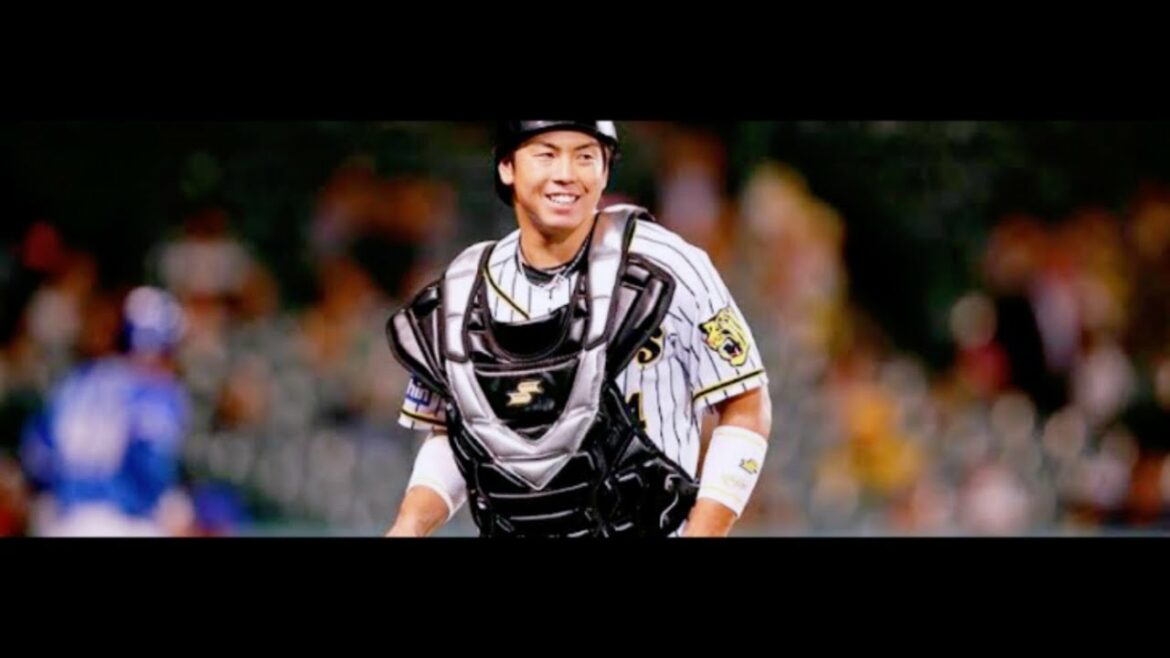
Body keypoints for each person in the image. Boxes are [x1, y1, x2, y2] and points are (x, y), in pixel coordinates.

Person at [384, 121, 772, 537]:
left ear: (605, 171)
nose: (566, 174)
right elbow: (453, 433)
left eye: (585, 156)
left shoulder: (667, 266)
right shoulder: (461, 292)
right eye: (546, 155)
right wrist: (409, 525)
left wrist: (705, 531)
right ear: (507, 167)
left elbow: (746, 405)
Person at [20, 286, 191, 537]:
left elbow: (37, 456)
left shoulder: (73, 383)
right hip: (125, 523)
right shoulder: (154, 390)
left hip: (65, 522)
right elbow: (151, 469)